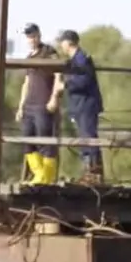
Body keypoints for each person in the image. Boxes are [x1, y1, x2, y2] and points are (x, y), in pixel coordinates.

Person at [51, 30, 104, 185]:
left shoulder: (81, 59)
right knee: (84, 139)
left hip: (86, 105)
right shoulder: (77, 59)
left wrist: (65, 84)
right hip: (80, 105)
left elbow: (84, 81)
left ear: (68, 43)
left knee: (89, 138)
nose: (61, 45)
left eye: (62, 42)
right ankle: (90, 173)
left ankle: (94, 174)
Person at [16, 23, 61, 185]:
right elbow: (26, 83)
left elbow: (58, 75)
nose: (31, 39)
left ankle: (47, 177)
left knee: (45, 140)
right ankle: (38, 173)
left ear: (39, 35)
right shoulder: (29, 58)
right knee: (27, 140)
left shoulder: (49, 52)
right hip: (29, 104)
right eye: (28, 36)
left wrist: (54, 97)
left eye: (33, 35)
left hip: (43, 104)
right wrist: (21, 106)